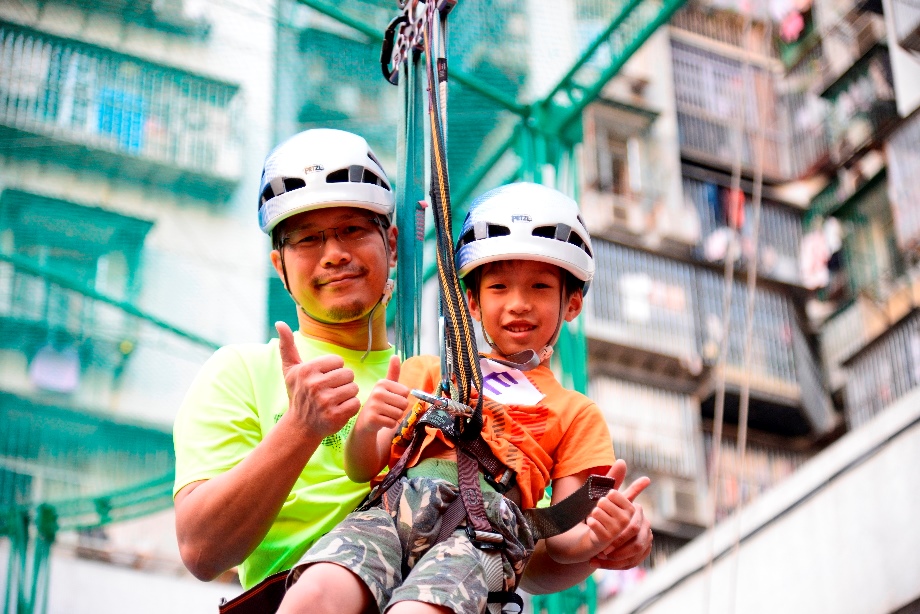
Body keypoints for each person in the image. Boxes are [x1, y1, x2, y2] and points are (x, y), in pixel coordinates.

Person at [278, 182, 652, 614]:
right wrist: (368, 427)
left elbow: (562, 539)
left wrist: (596, 537)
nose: (518, 304)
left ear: (571, 305)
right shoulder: (430, 372)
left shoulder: (575, 414)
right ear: (471, 303)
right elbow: (362, 467)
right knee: (316, 593)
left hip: (481, 540)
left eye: (540, 288)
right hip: (391, 513)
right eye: (499, 288)